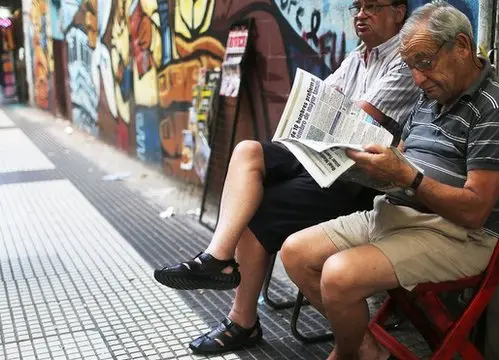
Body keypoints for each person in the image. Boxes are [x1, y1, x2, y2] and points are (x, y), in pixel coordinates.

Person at [153, 0, 422, 355]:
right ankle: (216, 258)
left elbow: (354, 119)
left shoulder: (404, 59)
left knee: (258, 207)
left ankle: (242, 320)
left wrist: (325, 114)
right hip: (325, 154)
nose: (360, 15)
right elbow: (322, 102)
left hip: (358, 176)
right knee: (247, 151)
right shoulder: (358, 56)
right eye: (356, 7)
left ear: (399, 11)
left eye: (372, 6)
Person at [279, 2, 499, 360]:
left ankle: (347, 353)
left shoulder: (496, 106)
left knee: (338, 276)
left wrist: (407, 177)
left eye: (425, 62)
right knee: (295, 253)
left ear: (461, 46)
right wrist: (372, 165)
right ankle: (367, 350)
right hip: (396, 215)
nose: (418, 79)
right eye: (411, 67)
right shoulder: (430, 97)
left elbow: (475, 211)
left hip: (456, 235)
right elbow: (402, 155)